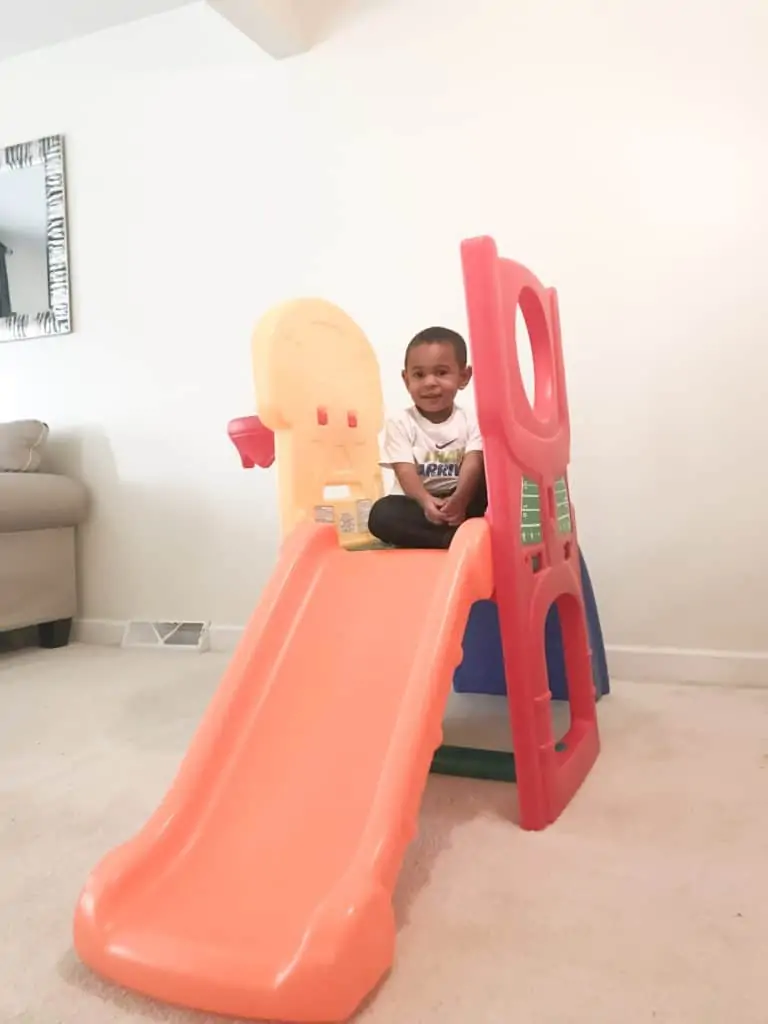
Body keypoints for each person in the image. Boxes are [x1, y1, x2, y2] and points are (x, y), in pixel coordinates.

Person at [368, 326, 487, 549]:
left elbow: (473, 462)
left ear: (463, 376)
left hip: (462, 497)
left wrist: (460, 499)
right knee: (381, 515)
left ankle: (465, 528)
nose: (430, 382)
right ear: (406, 380)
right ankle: (446, 540)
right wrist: (425, 501)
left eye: (441, 373)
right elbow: (404, 470)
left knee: (493, 480)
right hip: (417, 504)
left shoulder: (472, 419)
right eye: (419, 375)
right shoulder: (400, 422)